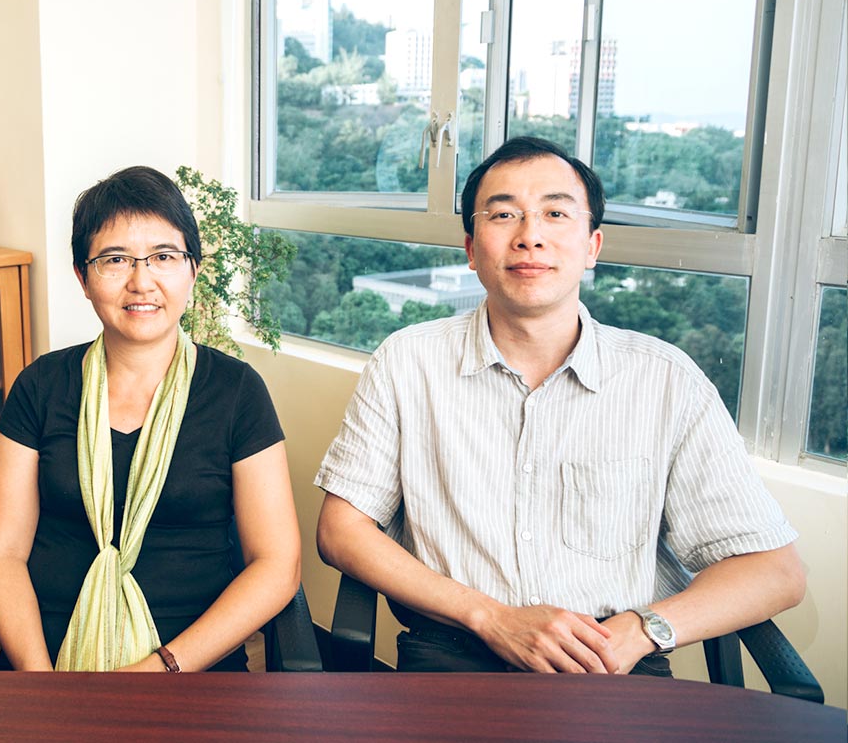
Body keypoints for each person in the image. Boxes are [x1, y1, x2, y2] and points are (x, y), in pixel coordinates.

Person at [314, 136, 804, 676]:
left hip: (609, 661)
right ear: (472, 249)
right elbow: (341, 530)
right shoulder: (407, 362)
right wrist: (491, 617)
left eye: (554, 213)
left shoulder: (665, 381)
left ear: (593, 246)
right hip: (452, 653)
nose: (531, 236)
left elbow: (775, 572)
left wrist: (642, 630)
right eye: (504, 215)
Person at [0, 166, 301, 671]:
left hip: (189, 669)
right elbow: (3, 551)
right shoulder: (41, 386)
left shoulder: (236, 392)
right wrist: (39, 681)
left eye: (164, 257)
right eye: (114, 260)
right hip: (44, 664)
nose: (141, 281)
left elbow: (277, 565)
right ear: (83, 278)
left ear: (192, 270)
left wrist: (160, 670)